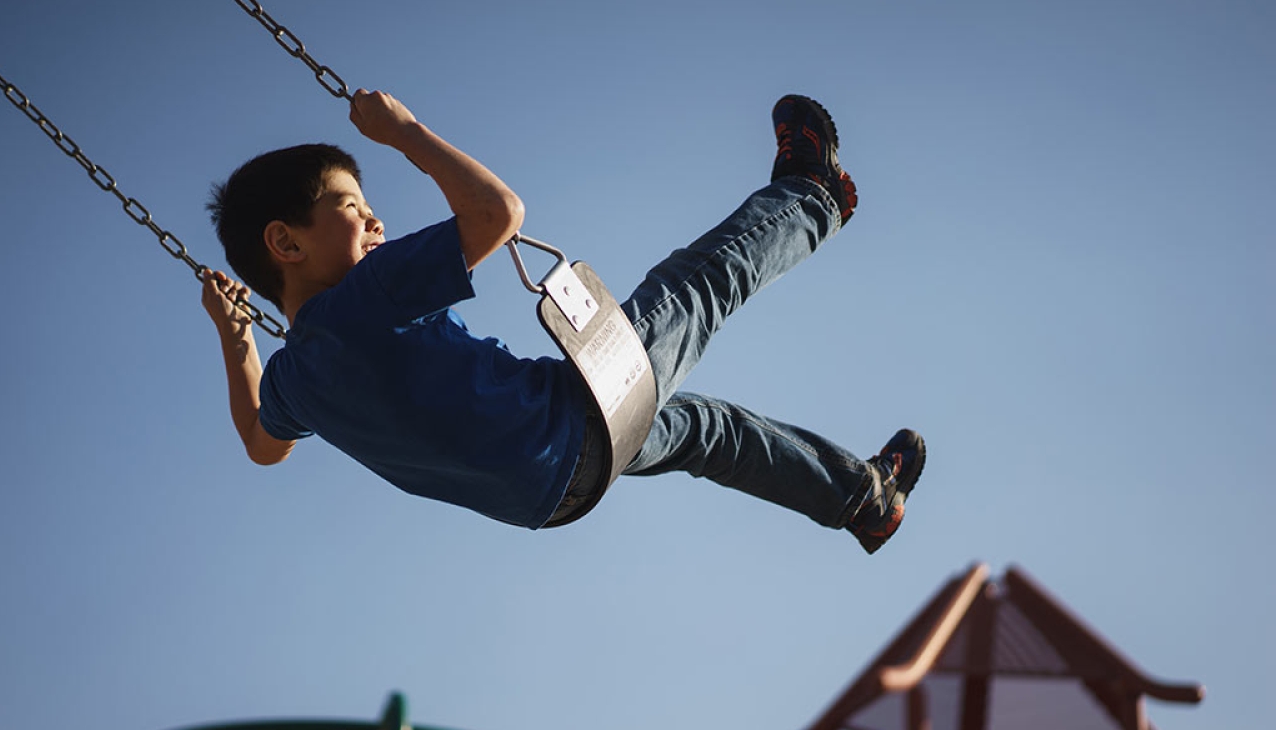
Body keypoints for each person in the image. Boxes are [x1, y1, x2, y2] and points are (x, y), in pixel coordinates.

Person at [200, 90, 925, 553]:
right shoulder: (364, 298)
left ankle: (861, 499)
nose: (374, 217)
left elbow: (264, 444)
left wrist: (238, 344)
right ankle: (813, 196)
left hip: (549, 493)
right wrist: (406, 133)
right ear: (286, 243)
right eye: (350, 206)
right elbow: (496, 214)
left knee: (710, 433)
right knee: (693, 290)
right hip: (568, 424)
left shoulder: (293, 376)